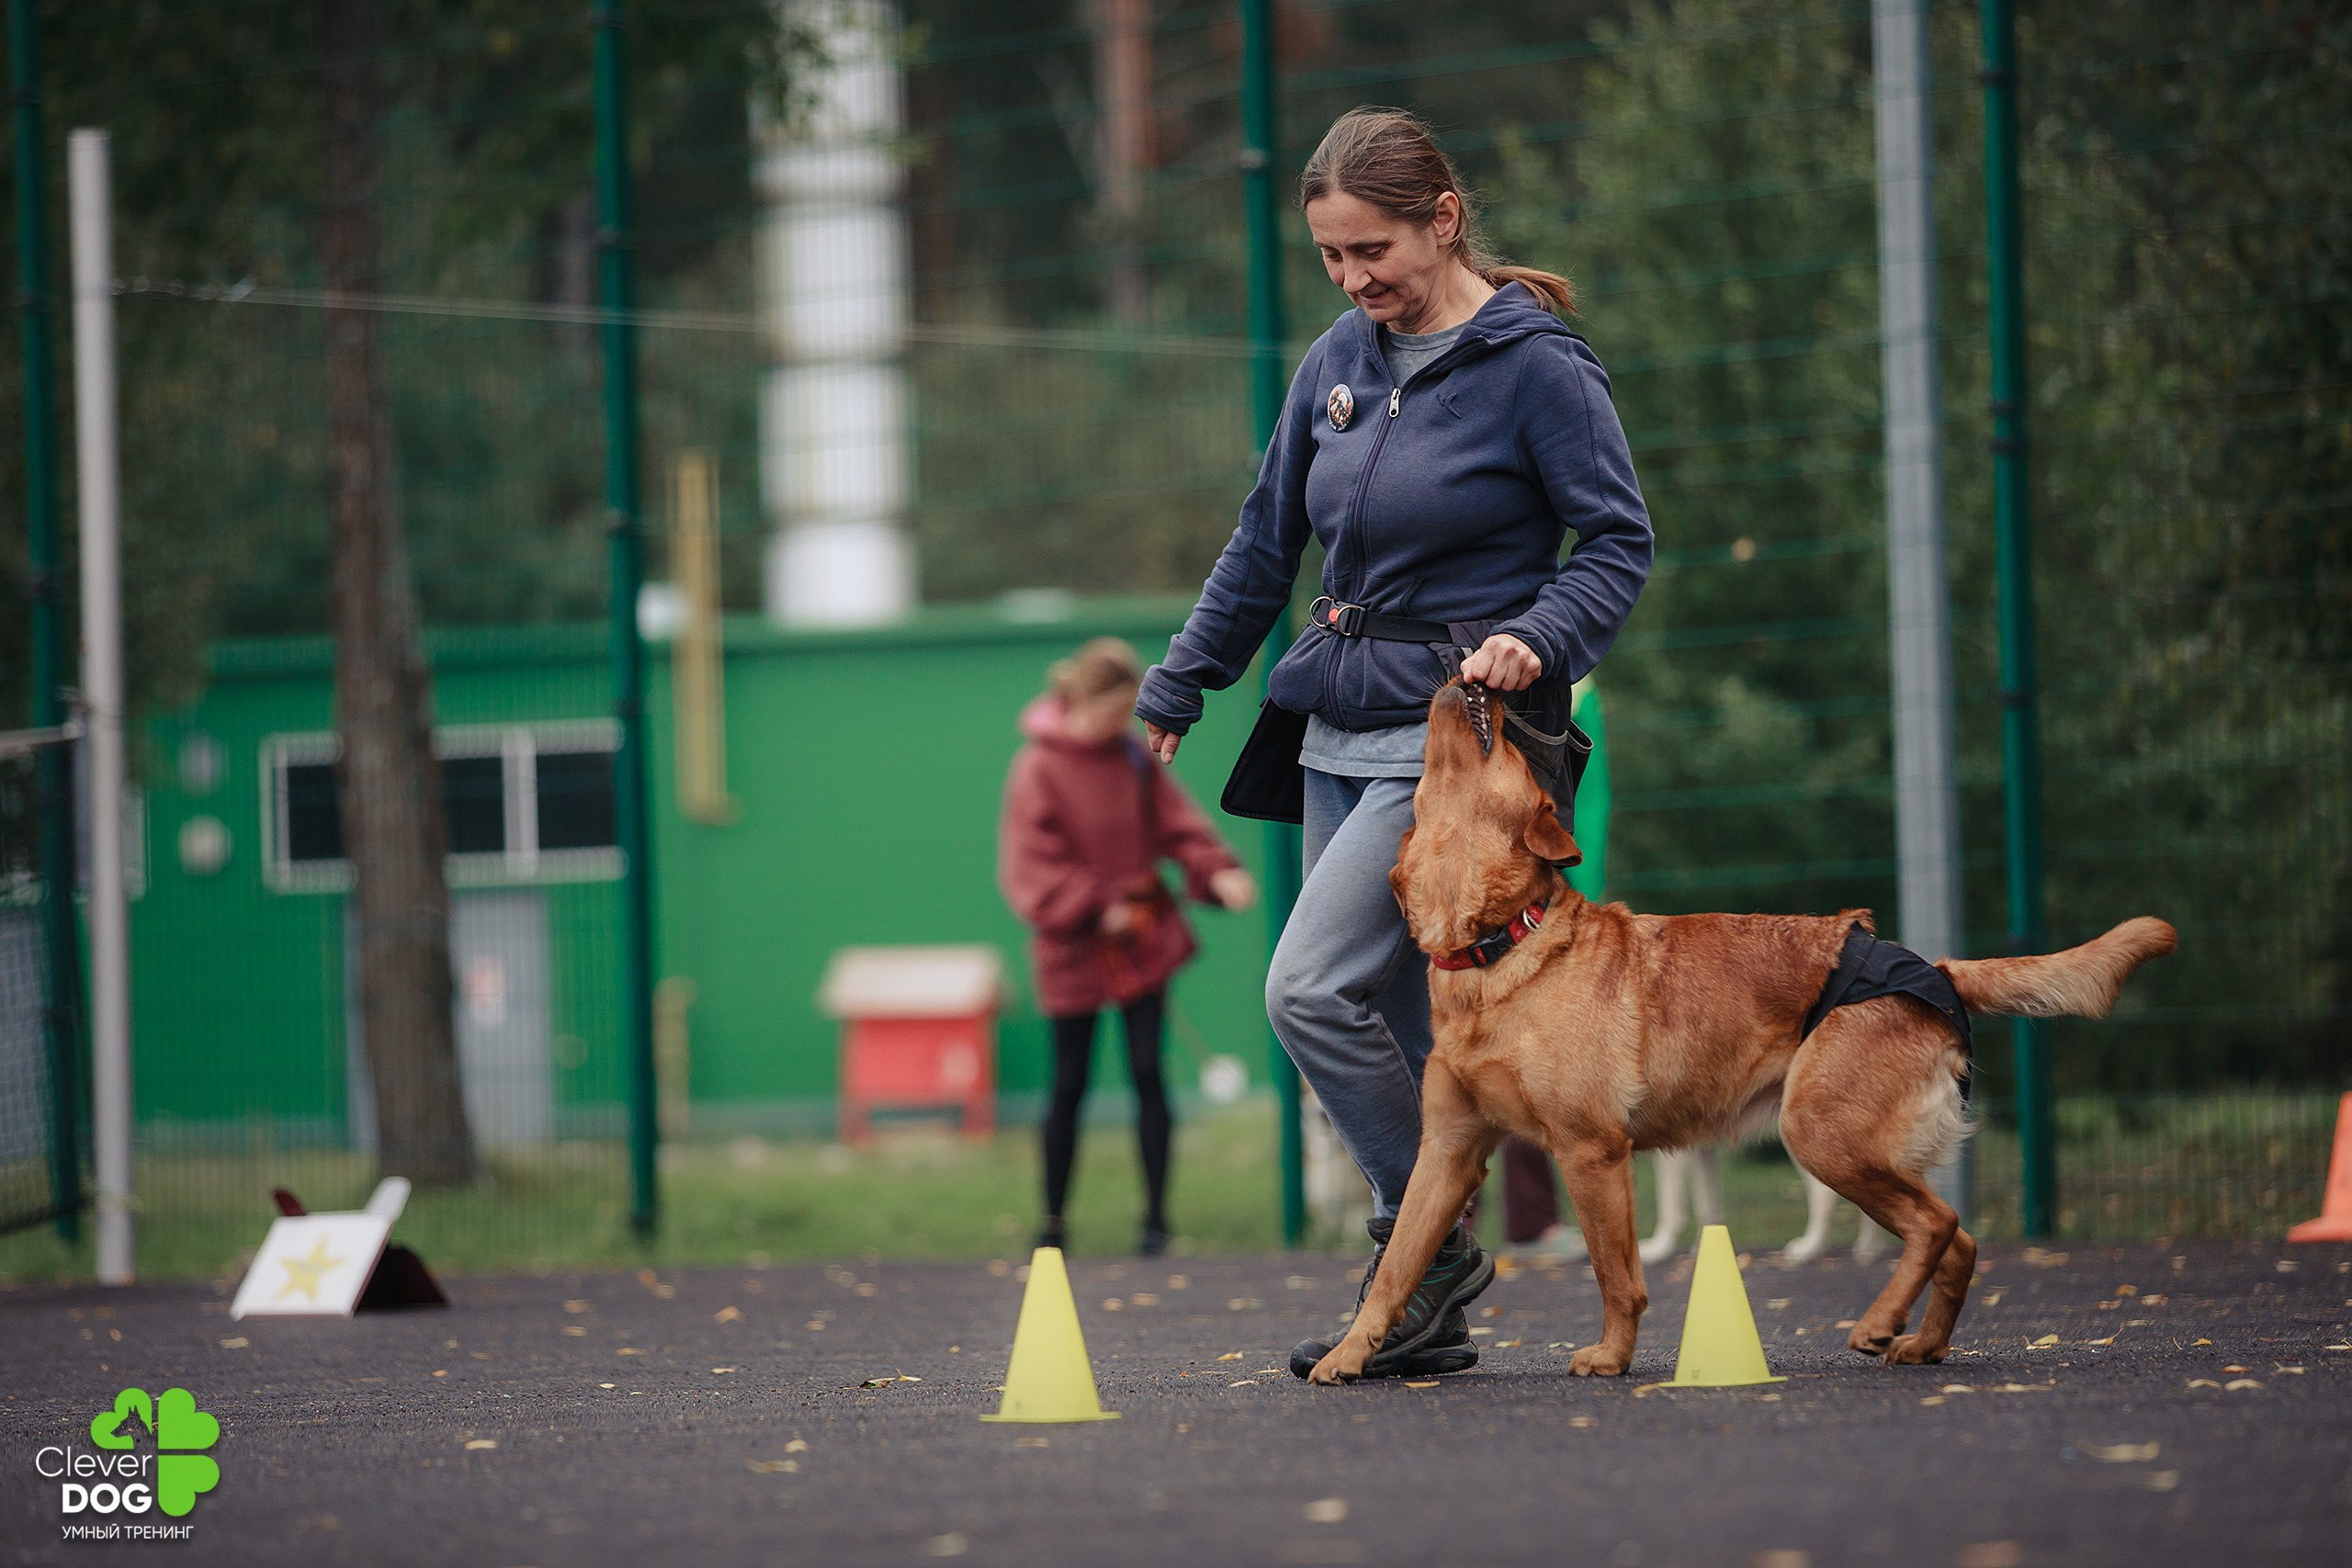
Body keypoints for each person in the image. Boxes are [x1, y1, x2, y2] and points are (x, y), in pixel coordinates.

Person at [1133, 108, 1654, 1378]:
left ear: (1444, 219)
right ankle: (1428, 1309)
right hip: (1333, 723)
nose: (1354, 278)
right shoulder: (1336, 362)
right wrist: (1178, 684)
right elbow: (1265, 546)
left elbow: (1619, 543)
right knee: (1392, 1013)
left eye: (1372, 249)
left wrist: (1541, 633)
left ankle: (1414, 1249)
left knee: (1304, 987)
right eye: (1330, 256)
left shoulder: (1540, 366)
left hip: (1461, 752)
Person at [999, 637, 1258, 1256]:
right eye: (1109, 713)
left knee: (1148, 1072)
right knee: (1069, 1082)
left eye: (1124, 715)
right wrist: (1095, 904)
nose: (1118, 725)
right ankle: (1053, 1224)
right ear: (1077, 699)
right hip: (1074, 947)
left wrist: (1216, 868)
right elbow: (1030, 864)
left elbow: (1179, 824)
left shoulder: (1133, 760)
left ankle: (1156, 1222)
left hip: (1142, 938)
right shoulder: (1036, 768)